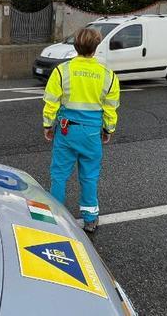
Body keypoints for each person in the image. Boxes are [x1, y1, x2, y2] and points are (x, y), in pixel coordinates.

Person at [42, 27, 120, 234]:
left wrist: (48, 125)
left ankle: (55, 216)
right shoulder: (108, 75)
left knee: (59, 175)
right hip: (92, 133)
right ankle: (90, 219)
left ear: (75, 46)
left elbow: (51, 102)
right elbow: (110, 108)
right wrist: (108, 129)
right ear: (96, 47)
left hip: (67, 131)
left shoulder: (62, 71)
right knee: (89, 176)